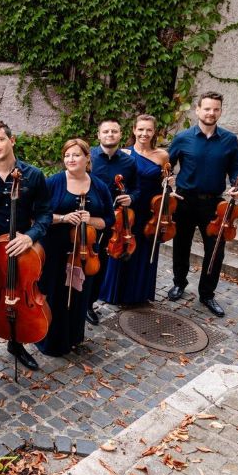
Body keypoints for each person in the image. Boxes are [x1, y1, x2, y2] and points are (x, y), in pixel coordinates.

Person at [0, 120, 52, 374]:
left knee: (20, 295)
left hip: (22, 250)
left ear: (12, 140)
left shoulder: (34, 175)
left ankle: (17, 344)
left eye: (0, 139)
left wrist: (30, 237)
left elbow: (45, 214)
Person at [167, 92, 238, 317]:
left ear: (220, 111)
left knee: (215, 251)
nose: (211, 113)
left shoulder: (229, 139)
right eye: (207, 109)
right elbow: (167, 166)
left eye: (216, 109)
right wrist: (168, 187)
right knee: (181, 245)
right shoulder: (182, 138)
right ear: (198, 110)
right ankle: (179, 283)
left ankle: (207, 294)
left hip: (214, 204)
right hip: (184, 201)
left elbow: (236, 168)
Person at [36, 139, 113, 357]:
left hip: (84, 252)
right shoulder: (53, 183)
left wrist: (91, 220)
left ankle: (73, 337)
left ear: (87, 158)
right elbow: (38, 215)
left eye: (76, 155)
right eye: (67, 155)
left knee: (79, 295)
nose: (70, 159)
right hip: (55, 250)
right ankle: (51, 342)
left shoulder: (99, 186)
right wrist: (63, 218)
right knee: (55, 294)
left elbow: (109, 220)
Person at [100, 115, 172, 307]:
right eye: (140, 129)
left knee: (144, 249)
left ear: (154, 132)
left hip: (150, 210)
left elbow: (164, 183)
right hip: (129, 209)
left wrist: (169, 184)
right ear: (133, 130)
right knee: (122, 245)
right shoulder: (124, 153)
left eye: (149, 130)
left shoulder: (162, 155)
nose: (144, 133)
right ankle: (115, 293)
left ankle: (138, 294)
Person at [86, 118, 140, 324]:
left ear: (120, 134)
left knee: (100, 264)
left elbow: (136, 188)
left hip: (113, 221)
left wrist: (131, 197)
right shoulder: (88, 157)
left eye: (114, 131)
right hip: (89, 219)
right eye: (106, 131)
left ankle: (89, 304)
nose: (110, 134)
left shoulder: (129, 162)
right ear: (99, 135)